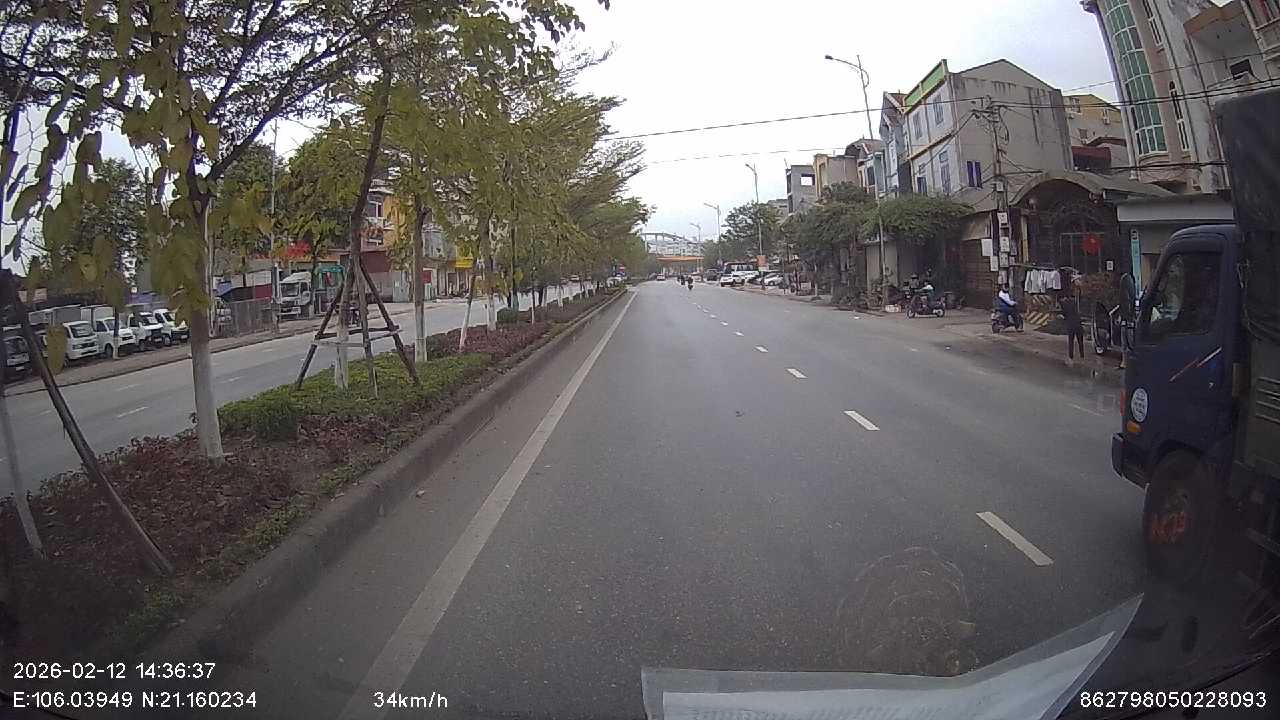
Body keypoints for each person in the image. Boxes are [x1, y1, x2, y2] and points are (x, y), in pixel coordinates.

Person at [1059, 291, 1083, 360]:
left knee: (1071, 341)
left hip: (1070, 325)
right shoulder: (1075, 303)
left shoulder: (1064, 304)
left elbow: (1064, 313)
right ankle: (1082, 354)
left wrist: (1062, 316)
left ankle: (1071, 356)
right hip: (1078, 323)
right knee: (1080, 341)